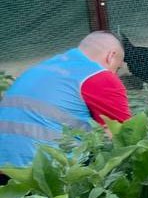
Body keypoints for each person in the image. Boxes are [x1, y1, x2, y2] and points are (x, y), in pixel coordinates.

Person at [0, 31, 132, 175]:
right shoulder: (98, 76)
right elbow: (125, 135)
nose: (114, 73)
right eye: (117, 68)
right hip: (41, 174)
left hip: (5, 168)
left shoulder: (41, 68)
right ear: (111, 56)